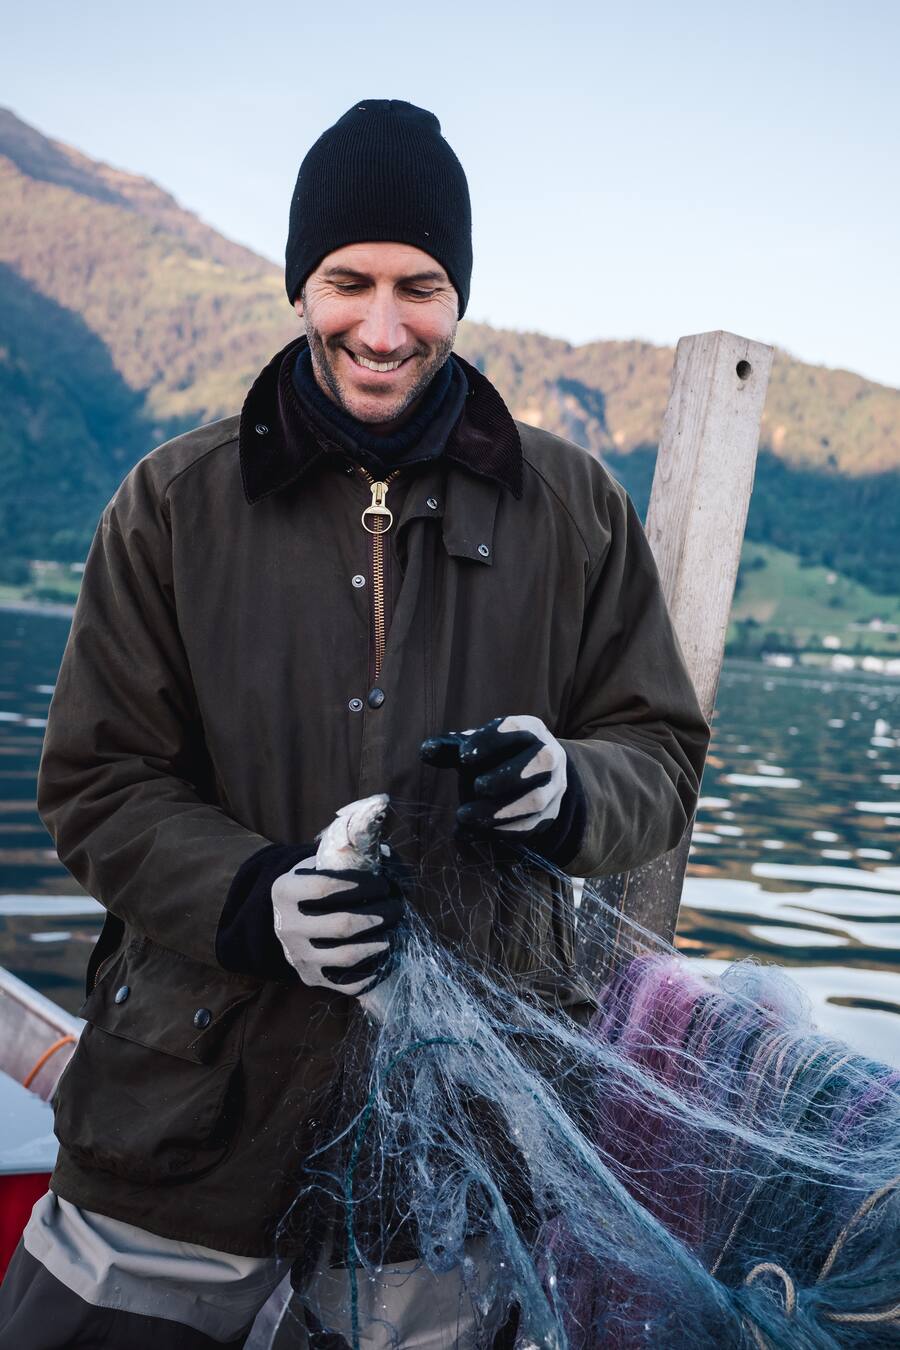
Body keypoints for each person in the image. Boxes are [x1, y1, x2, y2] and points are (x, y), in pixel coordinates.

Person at [0, 100, 709, 1348]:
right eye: (348, 283)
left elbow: (659, 749)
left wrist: (571, 789)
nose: (383, 329)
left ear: (460, 294)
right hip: (178, 1124)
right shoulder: (169, 503)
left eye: (419, 288)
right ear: (299, 286)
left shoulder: (577, 506)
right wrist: (255, 896)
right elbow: (99, 783)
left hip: (457, 1149)